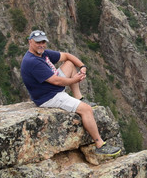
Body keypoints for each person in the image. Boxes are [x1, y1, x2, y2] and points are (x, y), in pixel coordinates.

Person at [20, 29, 122, 157]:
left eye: (43, 42)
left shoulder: (43, 54)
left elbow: (67, 56)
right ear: (30, 42)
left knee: (69, 64)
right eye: (38, 42)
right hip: (49, 97)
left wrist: (82, 66)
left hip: (51, 89)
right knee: (86, 109)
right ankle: (100, 145)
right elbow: (56, 81)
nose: (41, 45)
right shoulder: (32, 62)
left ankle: (79, 97)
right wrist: (76, 79)